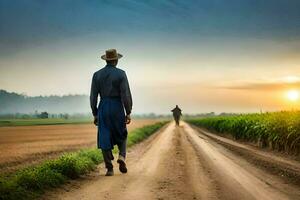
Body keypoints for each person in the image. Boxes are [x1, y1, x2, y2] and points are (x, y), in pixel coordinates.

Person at [90, 49, 132, 176]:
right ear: (116, 60)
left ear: (106, 60)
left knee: (104, 136)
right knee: (122, 133)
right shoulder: (121, 74)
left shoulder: (97, 75)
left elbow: (93, 96)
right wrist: (128, 111)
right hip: (117, 107)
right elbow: (125, 94)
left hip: (103, 106)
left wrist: (95, 113)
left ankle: (109, 168)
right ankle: (122, 156)